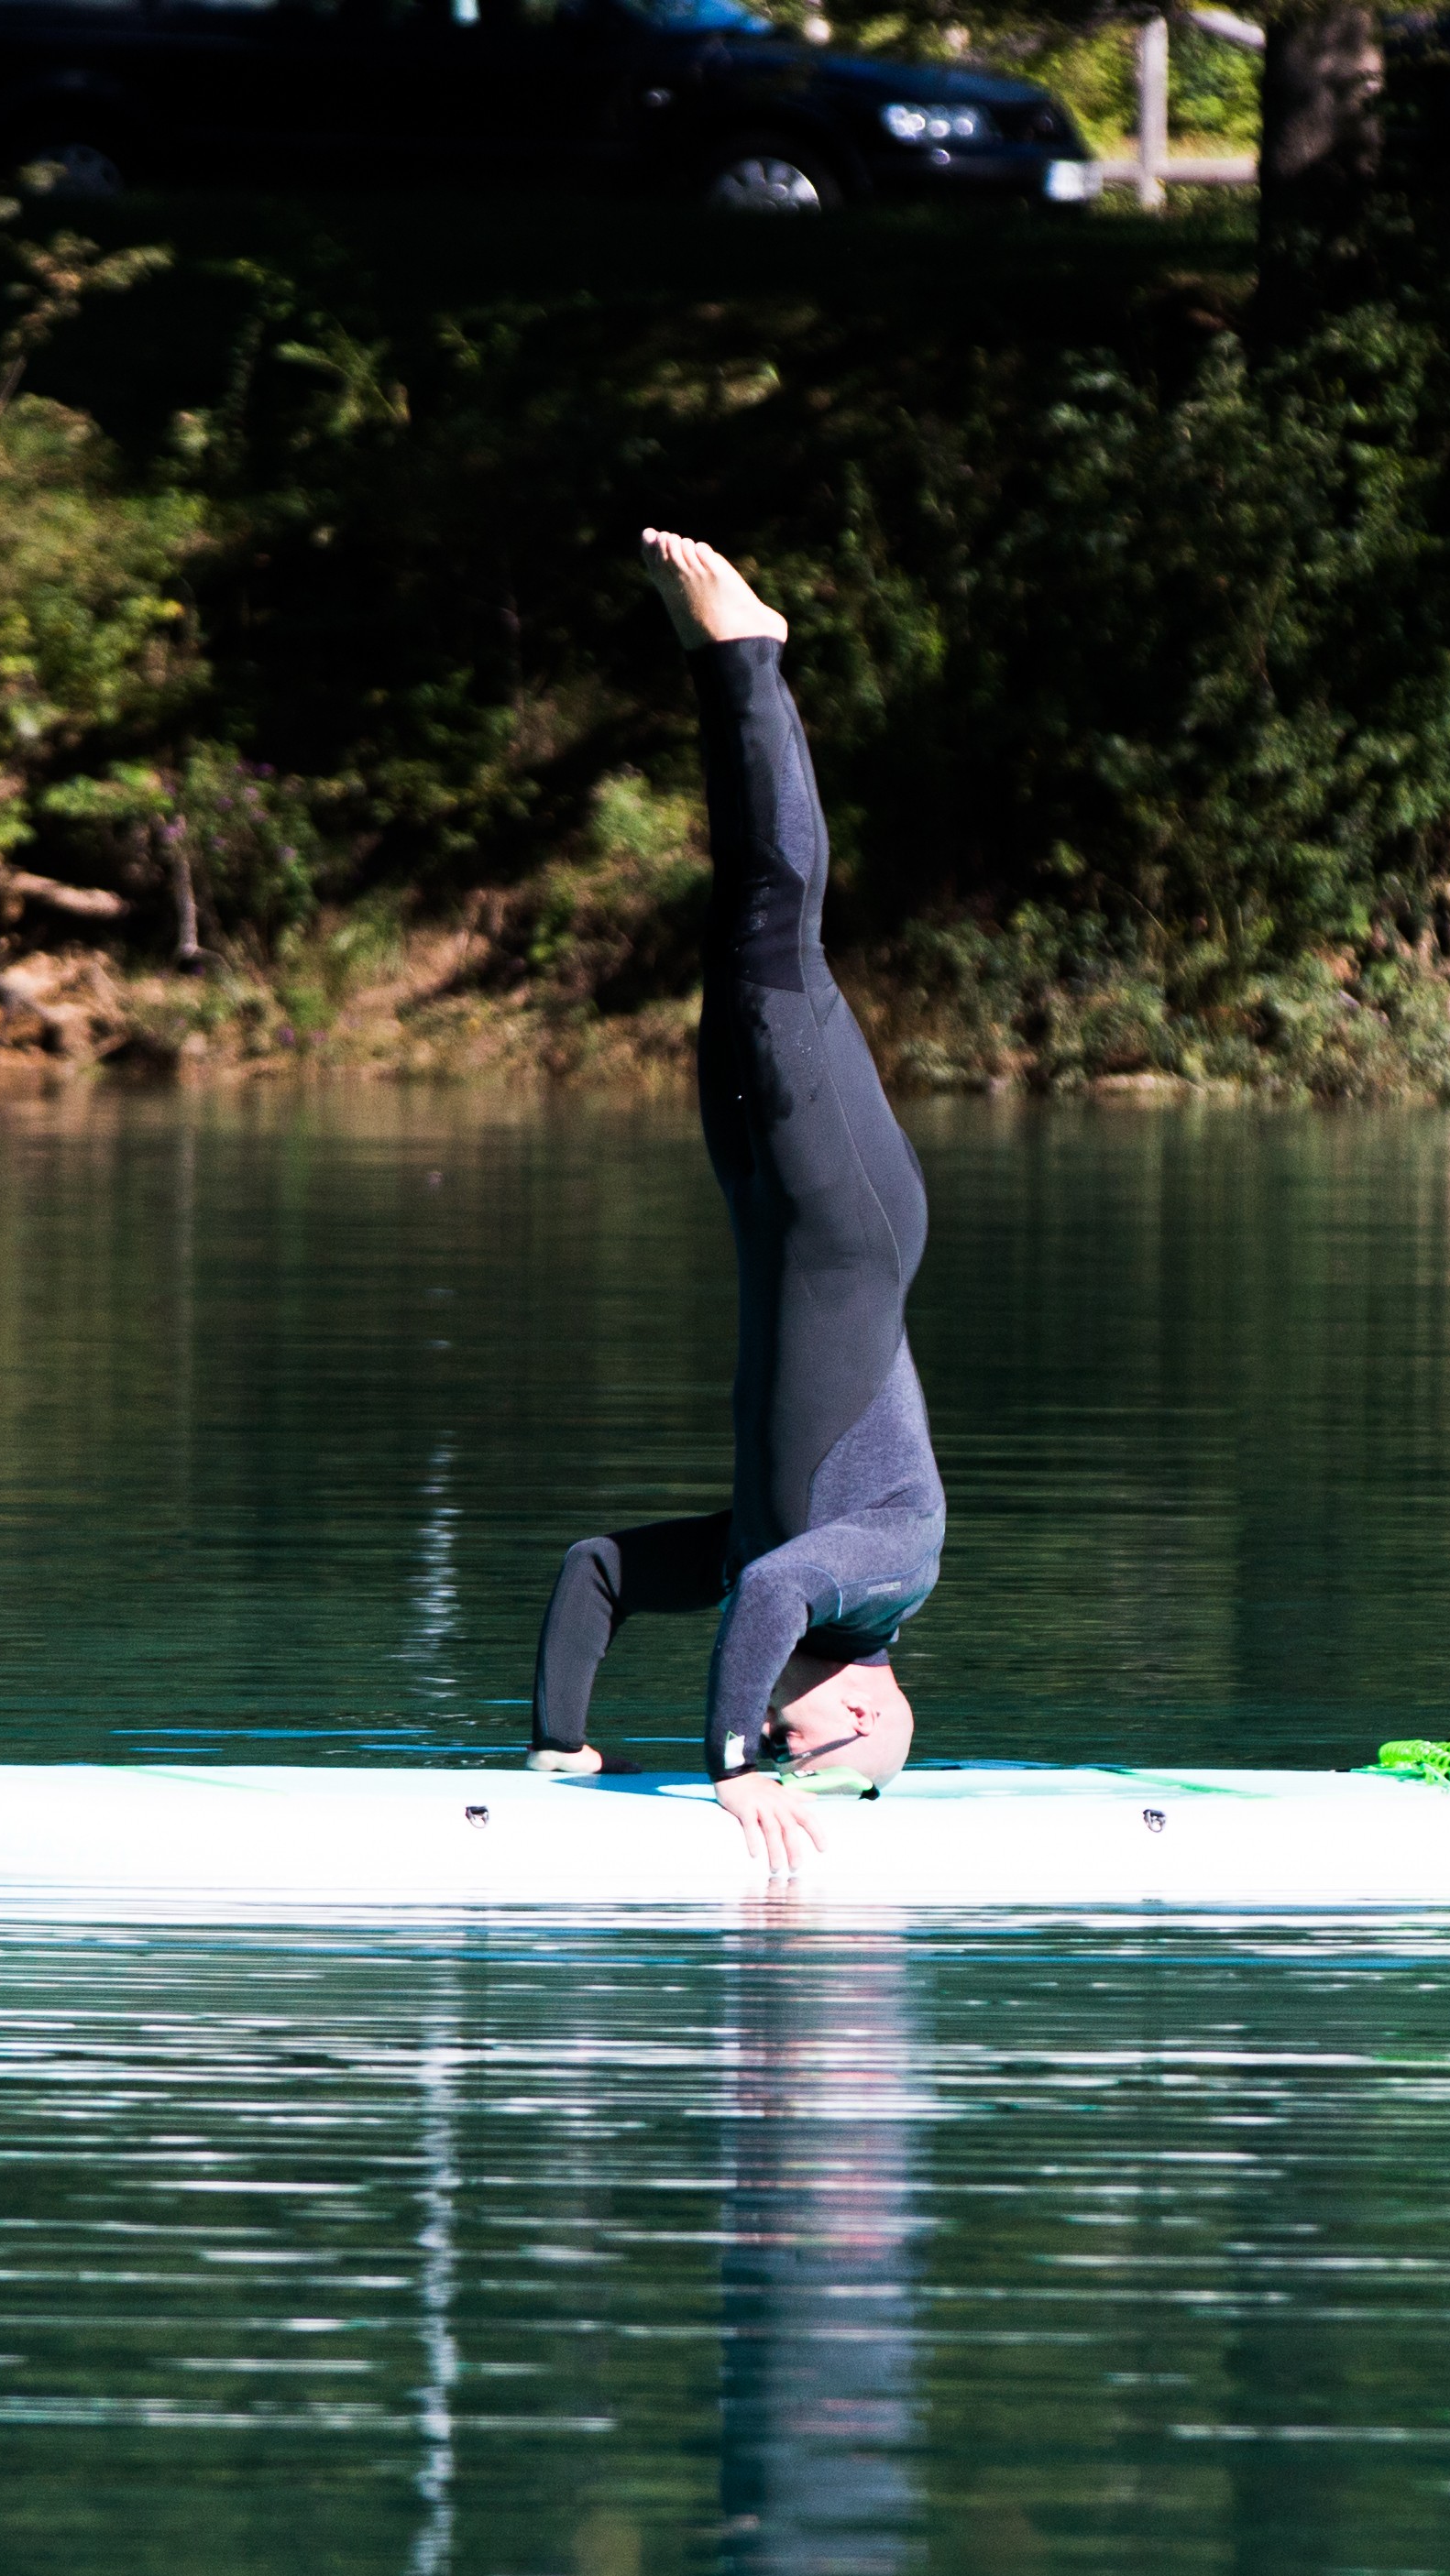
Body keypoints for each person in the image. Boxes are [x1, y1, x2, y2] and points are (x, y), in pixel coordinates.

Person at [530, 532, 945, 1875]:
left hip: (772, 1203)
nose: (775, 1727)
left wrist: (558, 1753)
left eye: (770, 1739)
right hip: (847, 1221)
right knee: (776, 924)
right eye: (797, 1742)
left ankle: (723, 662)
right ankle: (747, 651)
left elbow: (597, 1571)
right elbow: (774, 1592)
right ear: (866, 1711)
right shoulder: (889, 1567)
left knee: (736, 931)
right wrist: (730, 1769)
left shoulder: (772, 1557)